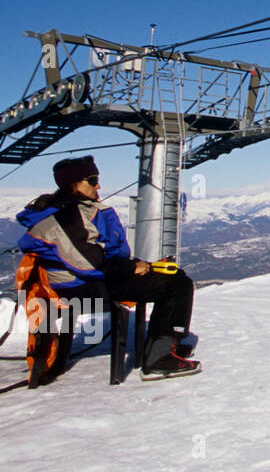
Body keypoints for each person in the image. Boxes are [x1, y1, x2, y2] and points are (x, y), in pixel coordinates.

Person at [16, 155, 201, 378]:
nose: (98, 185)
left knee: (173, 275)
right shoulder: (65, 218)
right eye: (92, 180)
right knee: (175, 285)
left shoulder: (78, 210)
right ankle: (159, 358)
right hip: (81, 286)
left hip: (93, 278)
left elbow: (98, 253)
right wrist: (130, 269)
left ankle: (168, 346)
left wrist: (135, 265)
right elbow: (87, 262)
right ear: (74, 183)